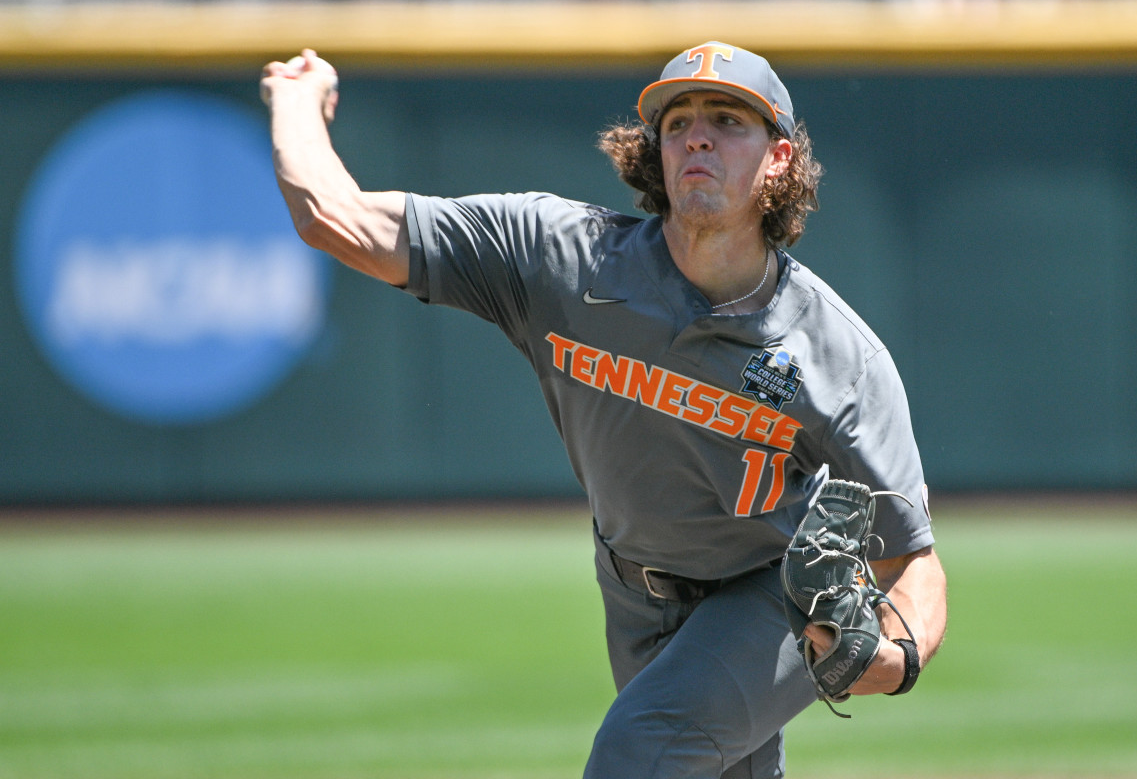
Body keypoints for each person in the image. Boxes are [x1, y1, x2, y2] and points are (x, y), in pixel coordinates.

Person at [261, 41, 948, 779]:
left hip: (767, 598)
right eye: (677, 120)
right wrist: (296, 101)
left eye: (727, 119)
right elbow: (337, 219)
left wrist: (895, 657)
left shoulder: (838, 356)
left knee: (637, 754)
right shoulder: (558, 257)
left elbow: (912, 558)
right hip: (629, 588)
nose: (698, 135)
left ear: (778, 158)